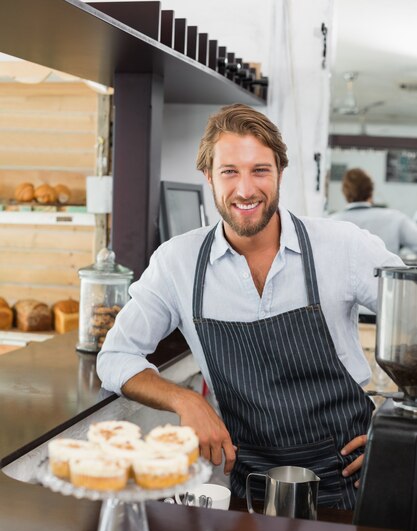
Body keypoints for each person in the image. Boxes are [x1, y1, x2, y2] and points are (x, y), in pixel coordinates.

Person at [97, 104, 402, 510]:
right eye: (229, 172)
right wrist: (187, 401)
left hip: (354, 480)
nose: (245, 190)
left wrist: (400, 427)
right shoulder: (178, 263)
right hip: (249, 491)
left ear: (279, 173)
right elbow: (116, 356)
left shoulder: (343, 246)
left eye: (260, 170)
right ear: (208, 176)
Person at [331, 167, 417, 255]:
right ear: (371, 190)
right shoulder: (395, 218)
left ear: (344, 192)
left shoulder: (331, 223)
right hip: (386, 269)